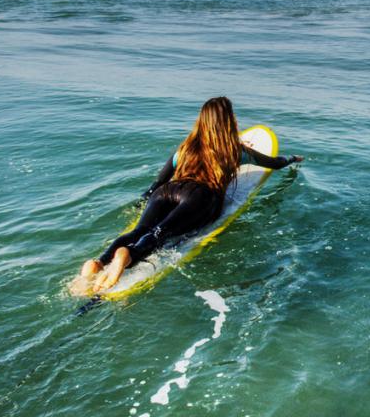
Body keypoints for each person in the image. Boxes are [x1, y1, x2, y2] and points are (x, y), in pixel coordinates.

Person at [69, 97, 302, 296]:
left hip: (167, 191)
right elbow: (274, 163)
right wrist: (291, 159)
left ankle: (100, 262)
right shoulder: (235, 150)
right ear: (228, 121)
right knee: (161, 234)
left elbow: (159, 181)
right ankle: (130, 254)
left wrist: (144, 199)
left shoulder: (187, 146)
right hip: (199, 196)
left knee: (138, 231)